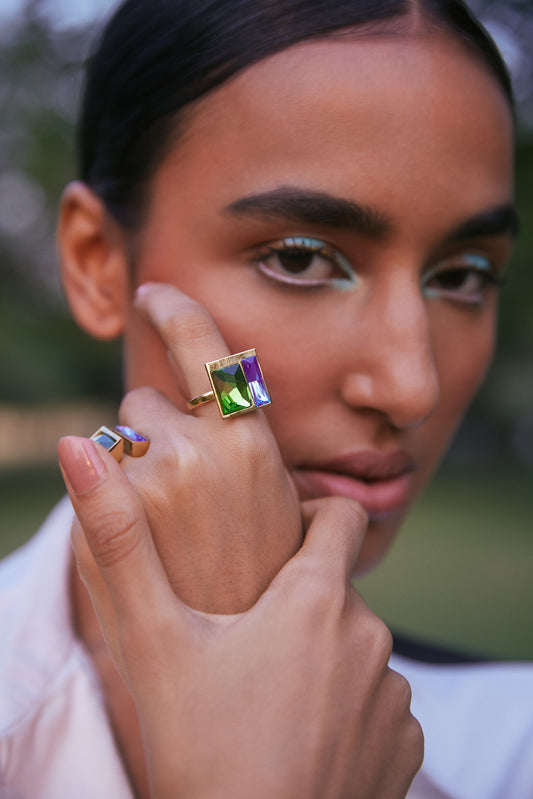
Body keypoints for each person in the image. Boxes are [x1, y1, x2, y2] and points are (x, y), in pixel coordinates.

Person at [1, 0, 532, 797]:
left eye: (461, 276)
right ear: (96, 263)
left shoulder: (508, 747)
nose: (410, 386)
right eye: (299, 258)